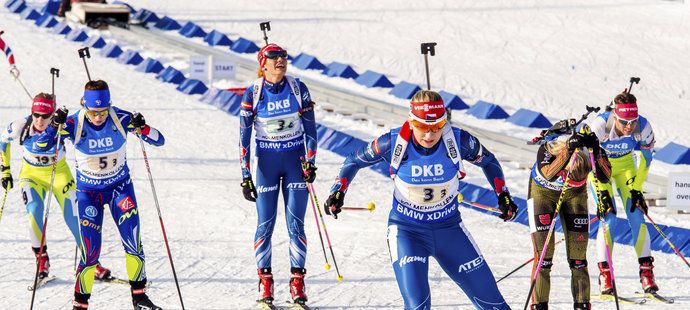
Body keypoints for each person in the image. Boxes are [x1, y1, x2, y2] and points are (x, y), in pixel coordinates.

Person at [324, 90, 518, 309]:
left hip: (449, 230)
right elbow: (353, 160)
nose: (430, 135)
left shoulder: (459, 140)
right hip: (407, 232)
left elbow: (489, 162)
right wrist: (338, 190)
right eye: (423, 127)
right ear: (411, 121)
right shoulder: (392, 142)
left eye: (437, 126)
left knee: (493, 303)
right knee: (418, 305)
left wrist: (503, 195)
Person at [38, 80, 165, 310]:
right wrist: (53, 126)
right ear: (84, 105)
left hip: (120, 189)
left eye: (103, 111)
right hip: (89, 193)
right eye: (94, 112)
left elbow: (159, 140)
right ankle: (80, 304)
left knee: (133, 242)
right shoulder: (73, 122)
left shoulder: (120, 118)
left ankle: (140, 297)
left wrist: (142, 127)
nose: (98, 117)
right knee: (90, 252)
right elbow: (41, 145)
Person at [0, 93, 111, 282]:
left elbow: (87, 124)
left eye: (45, 116)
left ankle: (91, 263)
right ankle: (42, 260)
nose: (40, 120)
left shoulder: (62, 125)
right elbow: (3, 143)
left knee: (76, 217)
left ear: (52, 114)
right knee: (34, 211)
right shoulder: (21, 126)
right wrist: (5, 170)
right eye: (36, 115)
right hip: (31, 176)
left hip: (60, 175)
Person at [239, 43, 318, 306]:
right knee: (266, 224)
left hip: (295, 162)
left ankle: (297, 282)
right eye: (274, 58)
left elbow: (311, 130)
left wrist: (311, 162)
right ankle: (265, 281)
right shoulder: (254, 92)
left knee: (296, 224)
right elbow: (243, 137)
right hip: (267, 166)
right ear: (263, 63)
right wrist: (245, 174)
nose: (280, 61)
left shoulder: (298, 88)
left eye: (283, 57)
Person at [527, 125, 612, 310]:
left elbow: (606, 177)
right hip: (543, 193)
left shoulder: (589, 152)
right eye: (571, 177)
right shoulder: (549, 147)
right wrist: (567, 153)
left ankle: (582, 304)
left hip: (575, 196)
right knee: (544, 258)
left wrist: (596, 151)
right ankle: (539, 305)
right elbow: (549, 175)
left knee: (579, 260)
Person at [587, 91, 658, 294]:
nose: (629, 127)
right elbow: (586, 157)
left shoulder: (643, 126)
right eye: (624, 122)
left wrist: (637, 189)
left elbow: (646, 159)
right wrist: (600, 191)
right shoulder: (600, 125)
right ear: (615, 116)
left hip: (627, 166)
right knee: (609, 217)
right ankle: (606, 275)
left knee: (636, 215)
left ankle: (646, 273)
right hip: (601, 169)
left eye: (632, 121)